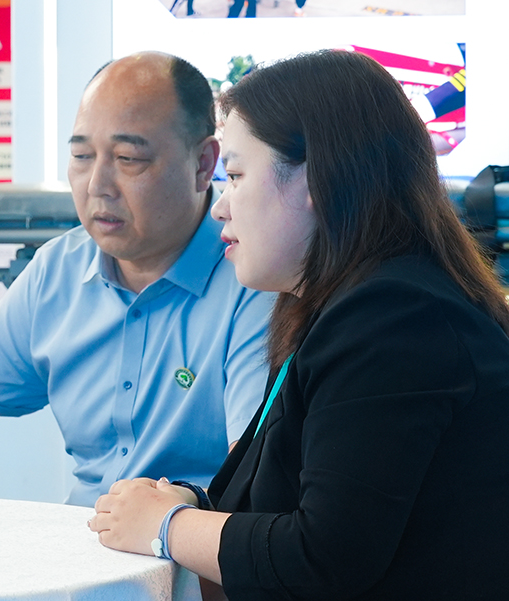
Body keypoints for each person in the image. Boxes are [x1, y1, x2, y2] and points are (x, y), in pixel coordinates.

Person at [89, 49, 509, 600]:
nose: (219, 207)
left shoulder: (395, 318)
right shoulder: (329, 306)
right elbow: (280, 504)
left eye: (236, 175)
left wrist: (166, 527)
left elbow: (323, 558)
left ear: (317, 178)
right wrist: (185, 505)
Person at [0, 51, 274, 507]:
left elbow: (257, 480)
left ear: (204, 164)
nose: (96, 184)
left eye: (128, 158)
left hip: (192, 545)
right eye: (82, 156)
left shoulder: (254, 278)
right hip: (77, 540)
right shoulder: (57, 271)